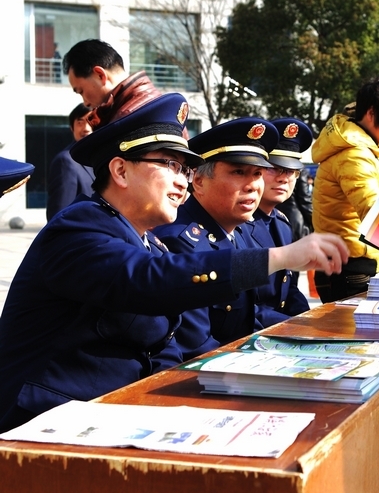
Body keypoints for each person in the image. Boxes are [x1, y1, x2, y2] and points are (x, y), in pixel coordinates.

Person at [0, 93, 348, 432]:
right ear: (120, 170)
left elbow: (166, 348)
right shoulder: (79, 228)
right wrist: (278, 258)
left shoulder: (149, 241)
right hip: (42, 426)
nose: (183, 182)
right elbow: (147, 280)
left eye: (185, 169)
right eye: (170, 165)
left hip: (114, 417)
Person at [152, 116, 285, 359]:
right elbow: (195, 347)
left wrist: (308, 328)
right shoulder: (180, 242)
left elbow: (250, 316)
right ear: (199, 182)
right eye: (238, 172)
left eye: (257, 173)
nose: (253, 185)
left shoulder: (239, 231)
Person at [311, 71, 379, 303]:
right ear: (371, 113)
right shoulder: (354, 153)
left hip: (350, 261)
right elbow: (373, 210)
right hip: (350, 267)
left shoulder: (363, 147)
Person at [248, 117, 315, 328]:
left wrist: (311, 322)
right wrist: (292, 325)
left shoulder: (282, 224)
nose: (284, 177)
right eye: (274, 168)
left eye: (291, 170)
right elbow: (245, 306)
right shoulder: (237, 225)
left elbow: (288, 289)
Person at [62, 39, 161, 129]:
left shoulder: (123, 121)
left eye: (81, 91)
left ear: (100, 75)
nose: (85, 103)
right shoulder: (157, 104)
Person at [46, 103, 94, 221]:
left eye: (90, 121)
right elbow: (59, 215)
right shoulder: (65, 162)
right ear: (72, 128)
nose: (86, 128)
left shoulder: (101, 159)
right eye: (80, 122)